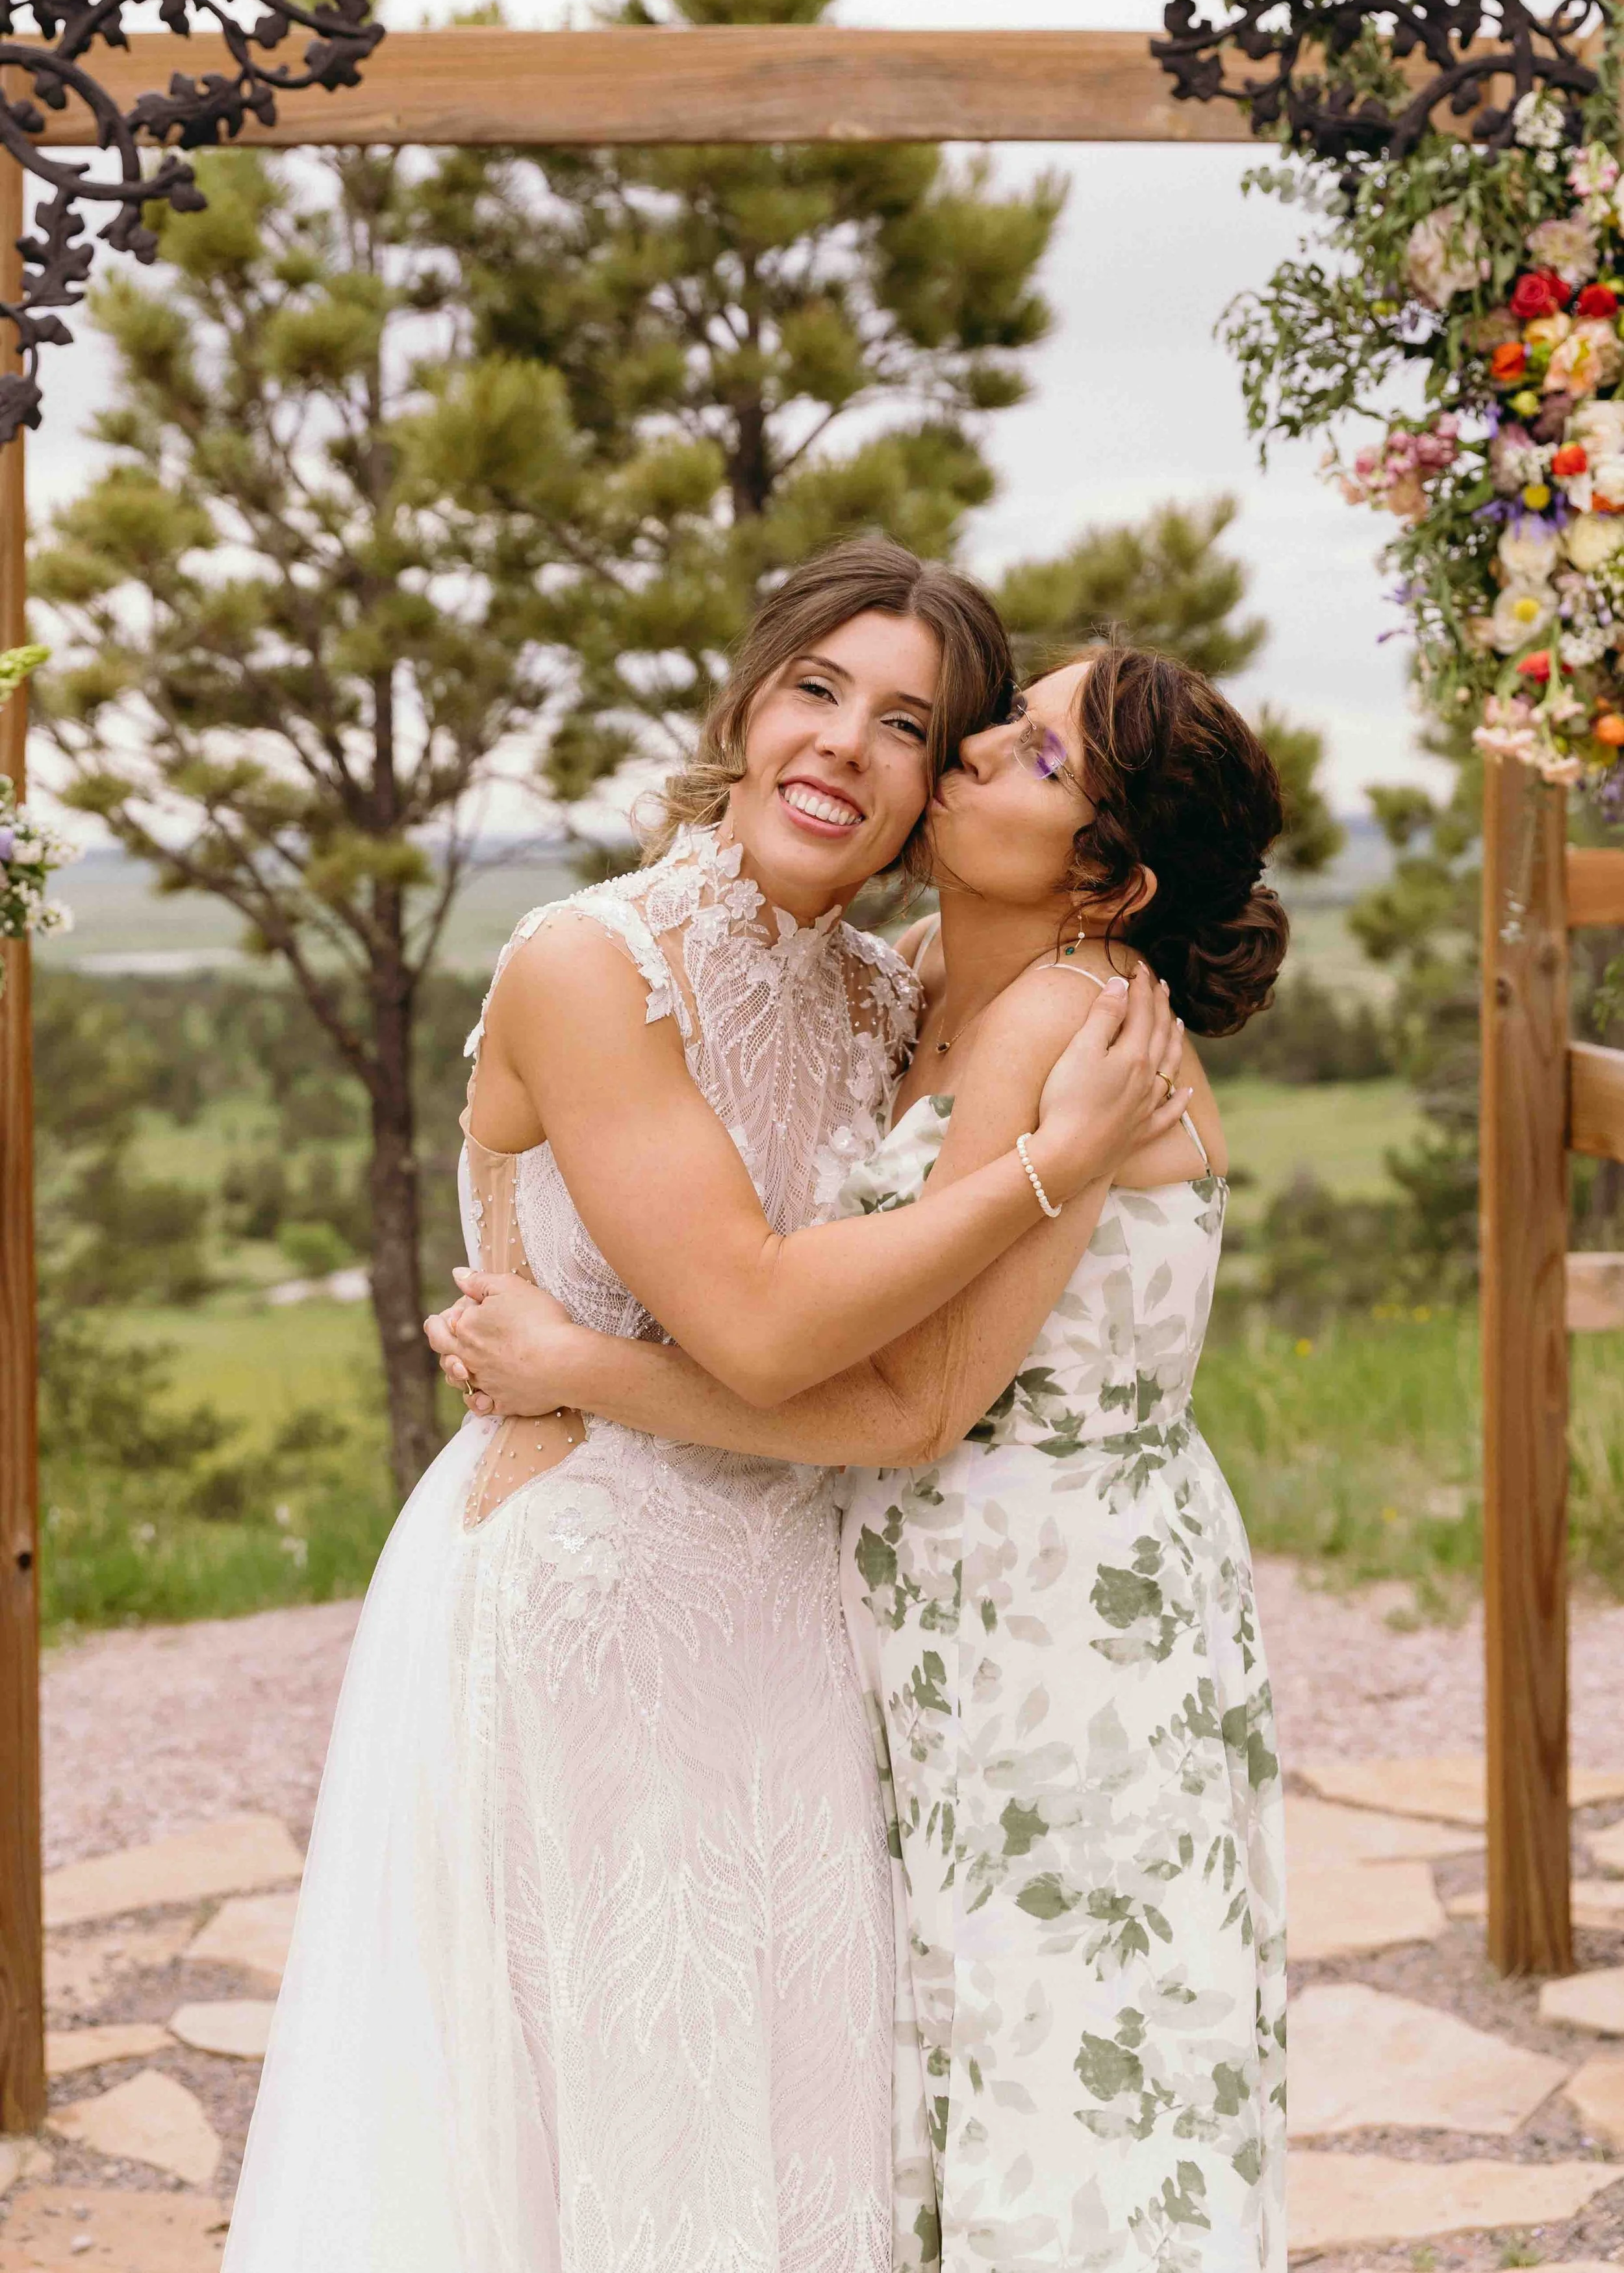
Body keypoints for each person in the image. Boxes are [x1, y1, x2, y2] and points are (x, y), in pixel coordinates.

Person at [224, 546, 1187, 2273]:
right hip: (588, 1613)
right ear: (745, 710)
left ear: (933, 785)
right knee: (606, 2141)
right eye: (815, 688)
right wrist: (1046, 1169)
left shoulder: (889, 994)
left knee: (805, 2141)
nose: (843, 744)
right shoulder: (588, 964)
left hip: (805, 1623)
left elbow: (924, 1335)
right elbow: (750, 1320)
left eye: (908, 723)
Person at [433, 642, 1289, 2273]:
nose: (969, 749)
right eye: (1006, 712)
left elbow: (913, 1406)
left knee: (1076, 2097)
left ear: (1108, 879)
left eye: (1033, 757)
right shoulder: (917, 978)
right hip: (929, 1595)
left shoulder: (1065, 1023)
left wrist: (580, 1367)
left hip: (1052, 1620)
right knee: (948, 2082)